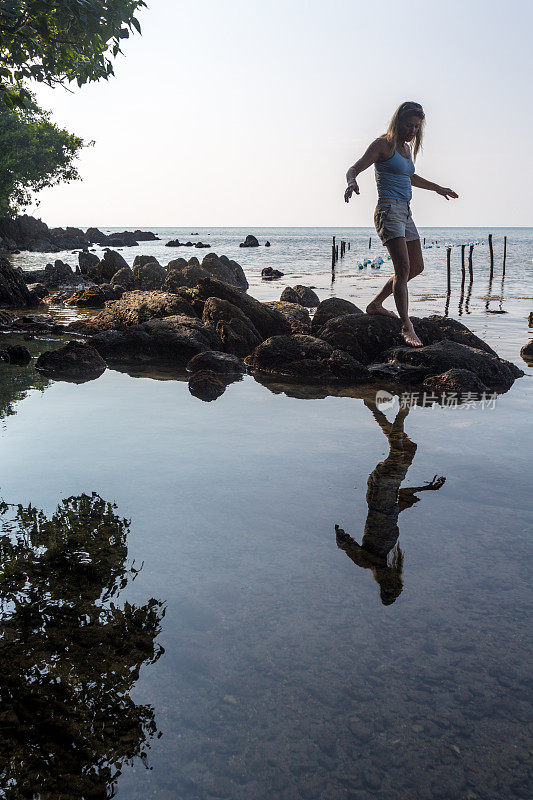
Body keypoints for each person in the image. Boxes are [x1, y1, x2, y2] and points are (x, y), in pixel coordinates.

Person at [344, 101, 458, 346]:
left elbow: (410, 176)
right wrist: (352, 182)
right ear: (397, 122)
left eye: (416, 127)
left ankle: (375, 304)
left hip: (406, 212)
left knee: (416, 267)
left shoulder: (406, 150)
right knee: (403, 269)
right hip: (388, 210)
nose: (412, 131)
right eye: (408, 125)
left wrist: (438, 188)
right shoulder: (382, 145)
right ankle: (406, 325)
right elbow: (354, 167)